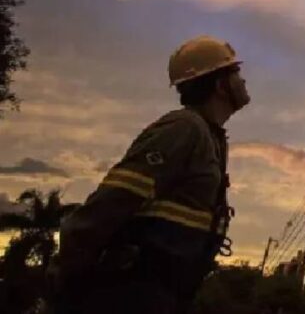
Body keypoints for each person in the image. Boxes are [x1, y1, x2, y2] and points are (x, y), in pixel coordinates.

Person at [51, 36, 250, 314]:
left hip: (163, 294)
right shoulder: (183, 128)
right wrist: (70, 282)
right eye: (236, 72)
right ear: (220, 85)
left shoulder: (210, 136)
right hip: (129, 293)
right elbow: (110, 203)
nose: (243, 80)